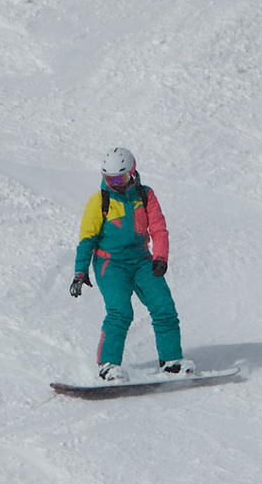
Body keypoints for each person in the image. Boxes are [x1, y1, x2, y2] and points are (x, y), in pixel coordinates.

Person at [71, 148, 183, 377]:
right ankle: (108, 366)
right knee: (120, 311)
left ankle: (171, 361)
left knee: (164, 307)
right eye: (109, 178)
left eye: (119, 178)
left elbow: (159, 229)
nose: (114, 184)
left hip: (141, 261)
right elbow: (86, 239)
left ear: (131, 173)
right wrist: (80, 272)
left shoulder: (145, 195)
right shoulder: (99, 201)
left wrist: (160, 257)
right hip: (110, 264)